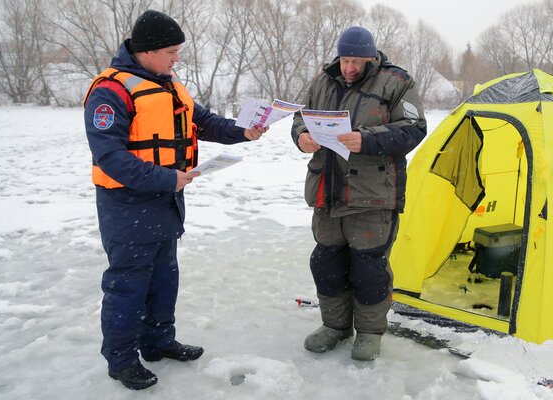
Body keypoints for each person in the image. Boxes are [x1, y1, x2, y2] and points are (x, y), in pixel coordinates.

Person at [83, 10, 266, 390]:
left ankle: (158, 342)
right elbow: (111, 158)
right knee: (128, 285)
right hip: (127, 205)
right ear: (147, 51)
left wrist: (243, 132)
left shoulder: (167, 83)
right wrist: (169, 178)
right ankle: (120, 360)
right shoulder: (110, 92)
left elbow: (203, 121)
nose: (176, 58)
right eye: (171, 51)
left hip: (166, 202)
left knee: (165, 278)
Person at [291, 26, 427, 361]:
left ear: (371, 58)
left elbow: (414, 129)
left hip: (372, 195)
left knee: (369, 268)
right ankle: (335, 327)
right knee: (327, 263)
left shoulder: (397, 83)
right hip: (327, 191)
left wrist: (366, 139)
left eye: (357, 61)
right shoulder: (322, 81)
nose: (350, 67)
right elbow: (300, 117)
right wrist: (302, 136)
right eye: (346, 59)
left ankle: (369, 332)